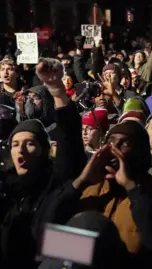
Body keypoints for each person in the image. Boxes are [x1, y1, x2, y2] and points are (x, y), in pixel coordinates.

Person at [39, 121, 152, 267]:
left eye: (125, 144)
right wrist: (80, 182)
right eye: (110, 142)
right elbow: (44, 236)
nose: (114, 149)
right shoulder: (89, 185)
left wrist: (131, 187)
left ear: (139, 151)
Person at [0, 58, 86, 269]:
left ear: (44, 150)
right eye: (16, 144)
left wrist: (57, 91)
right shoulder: (6, 189)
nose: (20, 149)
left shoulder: (56, 180)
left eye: (29, 143)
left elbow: (70, 139)